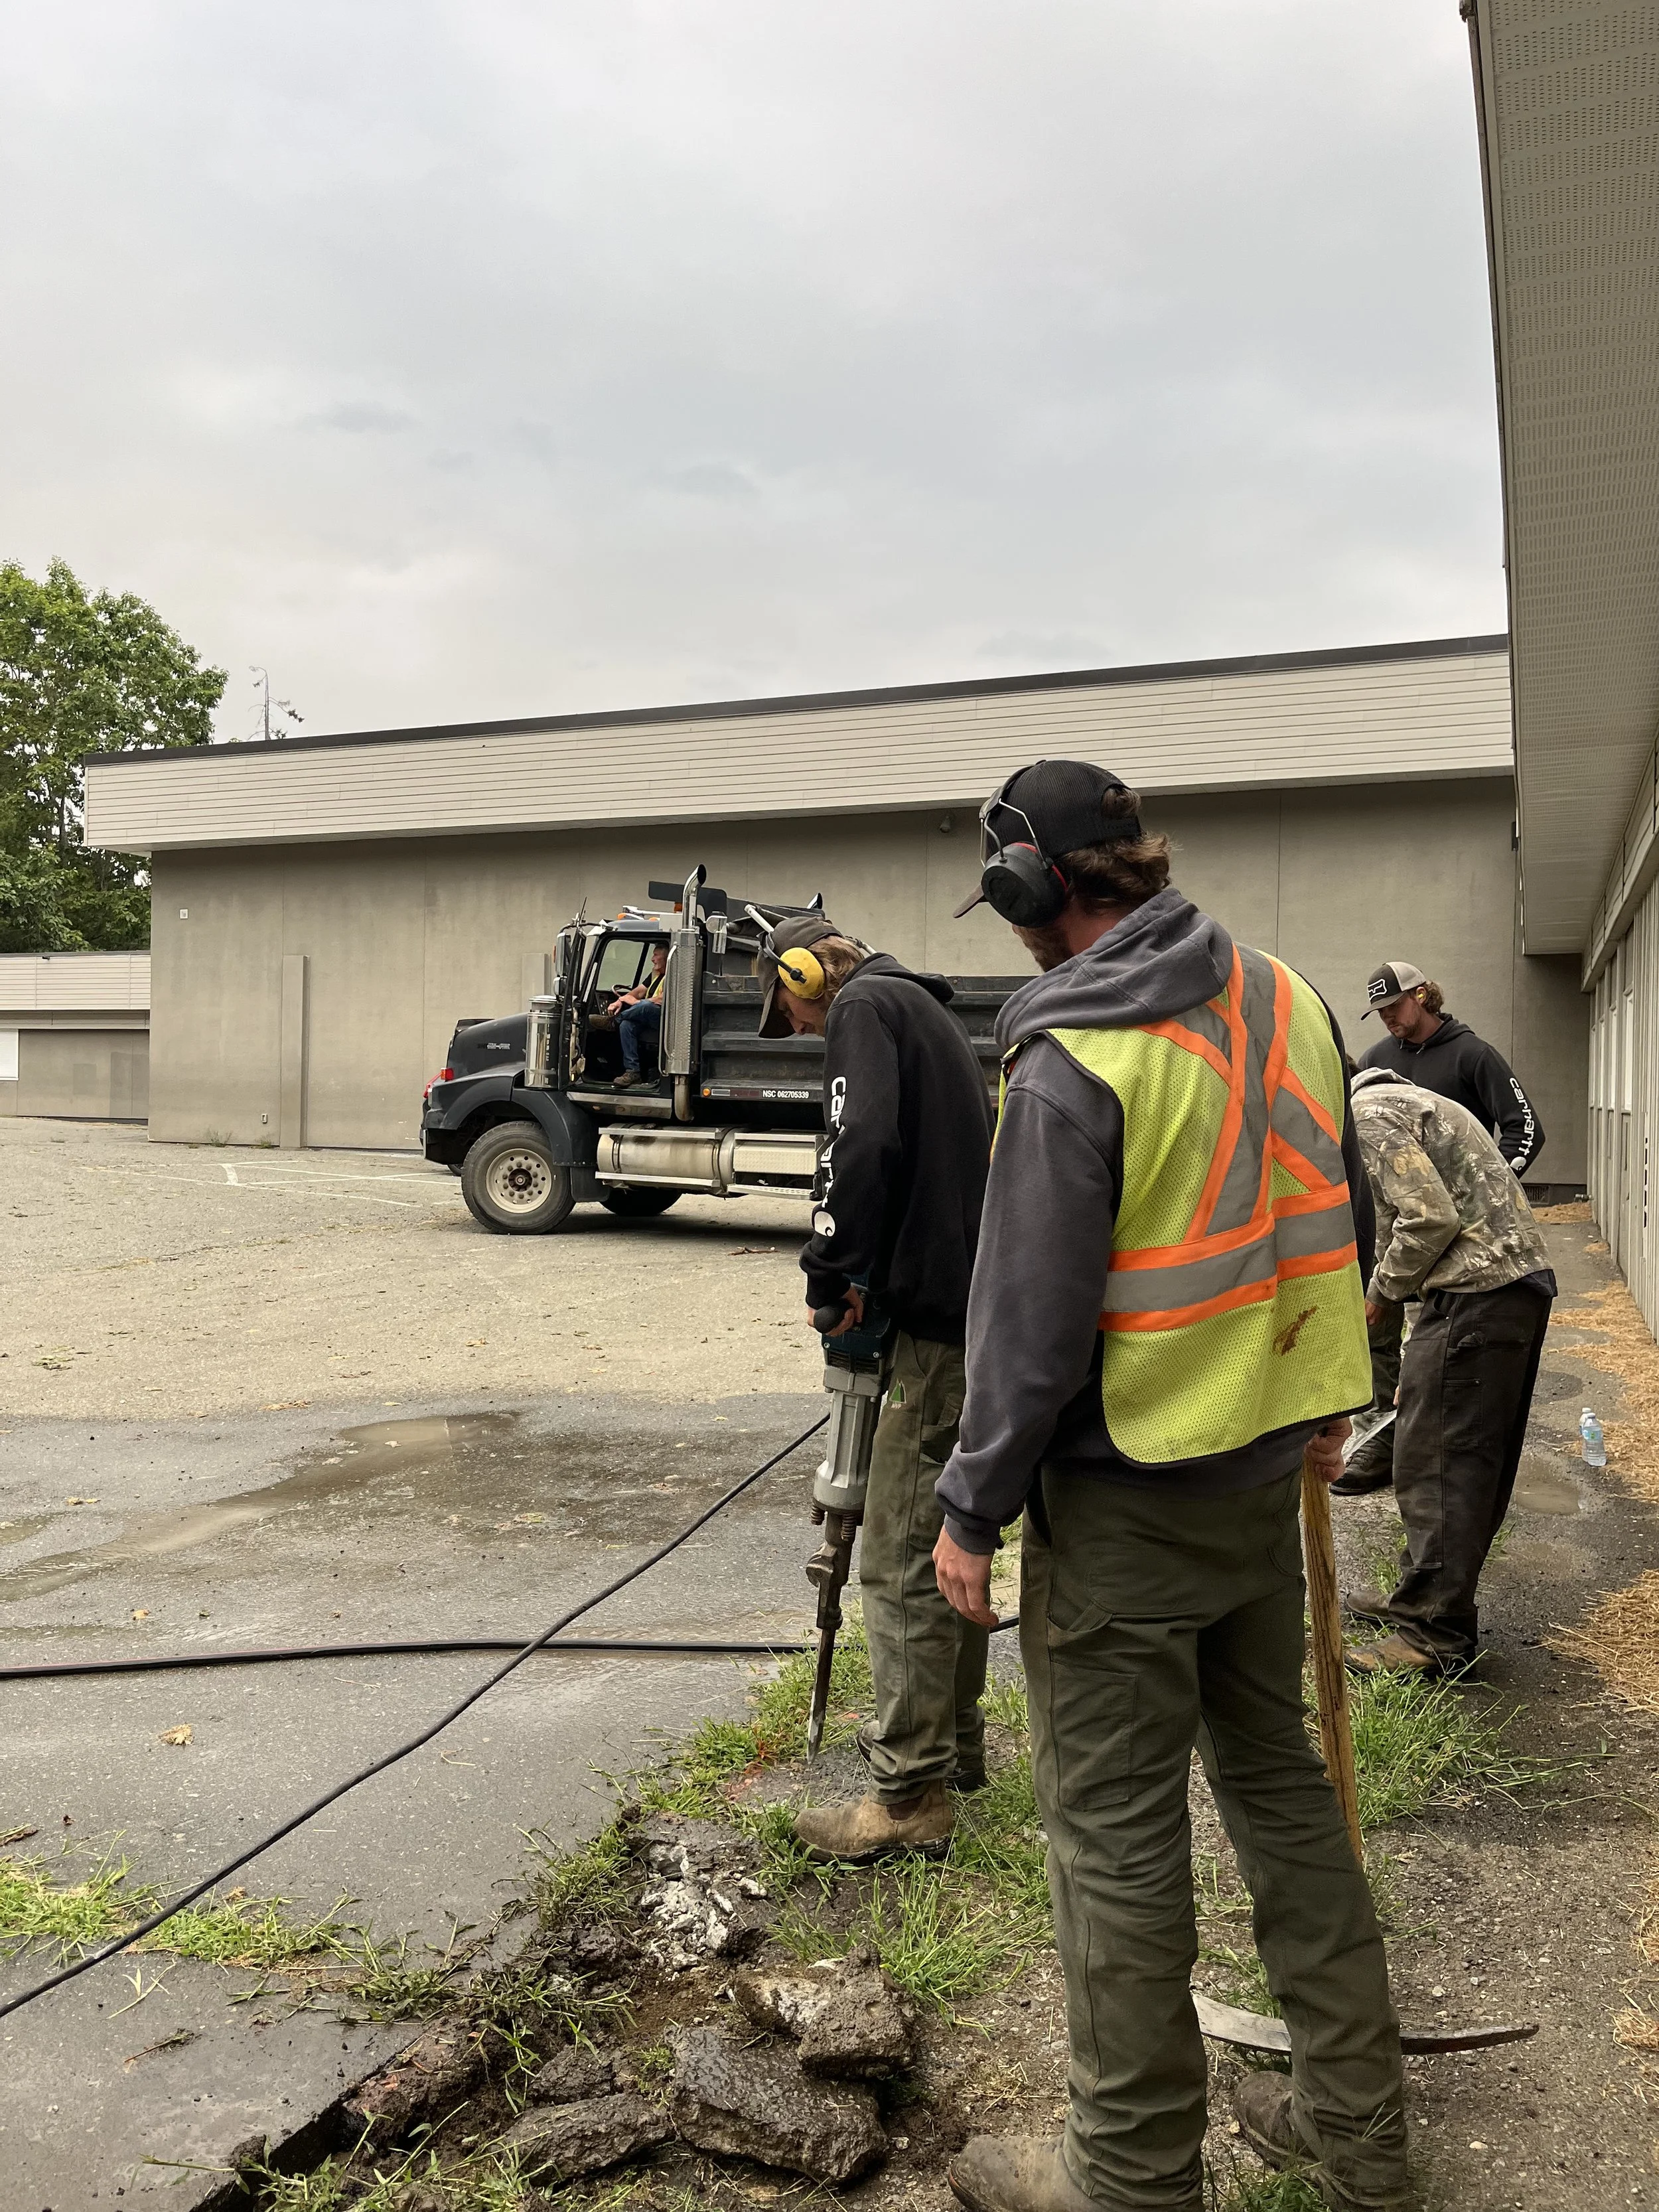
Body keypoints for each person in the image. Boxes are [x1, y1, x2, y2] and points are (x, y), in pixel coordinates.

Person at [930, 759, 1412, 2212]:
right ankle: (1359, 2136)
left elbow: (1026, 1317)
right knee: (1285, 1799)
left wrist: (969, 1503)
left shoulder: (1073, 1049)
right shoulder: (1283, 993)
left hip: (1127, 1495)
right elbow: (1341, 1199)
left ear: (1034, 885)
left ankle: (1131, 2176)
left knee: (1116, 1845)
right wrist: (1332, 1391)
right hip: (1261, 1480)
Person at [756, 913, 996, 1862]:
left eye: (791, 1011)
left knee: (898, 1550)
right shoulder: (921, 1011)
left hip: (935, 1334)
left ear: (807, 973)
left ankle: (908, 1794)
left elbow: (855, 1148)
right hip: (966, 1315)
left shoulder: (863, 1007)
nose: (802, 1029)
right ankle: (958, 1748)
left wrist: (831, 1273)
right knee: (948, 1535)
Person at [1342, 1067, 1555, 1677]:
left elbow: (1429, 1220)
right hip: (1493, 1291)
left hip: (1477, 1292)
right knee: (1445, 1454)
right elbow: (1412, 1222)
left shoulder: (1370, 1113)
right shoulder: (1406, 1102)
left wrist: (1379, 1297)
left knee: (1439, 1462)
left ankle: (1431, 1631)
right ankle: (1423, 1598)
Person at [1342, 962, 1546, 1499]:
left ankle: (1417, 1451)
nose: (1388, 1018)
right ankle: (1381, 1439)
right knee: (1378, 1328)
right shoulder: (1375, 1063)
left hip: (1461, 1242)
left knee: (1439, 1367)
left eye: (1395, 1006)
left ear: (1423, 995)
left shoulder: (1471, 1054)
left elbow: (1526, 1129)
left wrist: (1486, 1194)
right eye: (1379, 1011)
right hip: (1407, 1234)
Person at [608, 942, 666, 1090]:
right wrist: (620, 1001)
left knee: (645, 1007)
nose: (652, 959)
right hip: (648, 1018)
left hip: (664, 1020)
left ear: (667, 957)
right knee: (627, 1025)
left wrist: (638, 1003)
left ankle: (613, 1021)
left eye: (656, 954)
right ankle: (633, 1071)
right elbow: (639, 991)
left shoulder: (676, 975)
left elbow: (663, 999)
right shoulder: (655, 974)